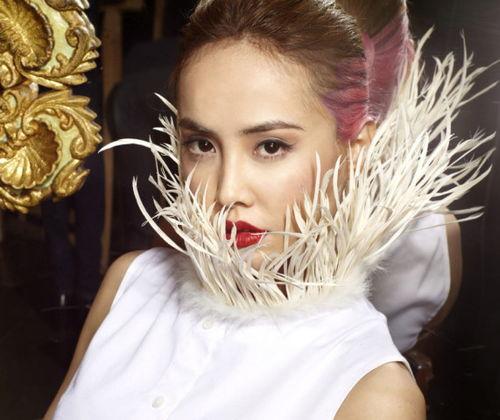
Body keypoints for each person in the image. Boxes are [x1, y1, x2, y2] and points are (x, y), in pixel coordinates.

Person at [45, 0, 492, 418]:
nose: (227, 191)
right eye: (201, 144)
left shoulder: (373, 395)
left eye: (270, 146)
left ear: (356, 150)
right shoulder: (130, 284)